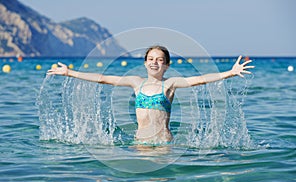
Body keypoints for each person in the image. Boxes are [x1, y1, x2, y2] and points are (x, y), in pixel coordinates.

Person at [47, 45, 254, 144]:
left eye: (160, 59)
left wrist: (230, 72)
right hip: (140, 143)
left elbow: (199, 79)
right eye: (151, 59)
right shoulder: (135, 83)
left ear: (167, 65)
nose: (155, 62)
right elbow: (102, 77)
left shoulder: (170, 84)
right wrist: (69, 73)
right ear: (145, 63)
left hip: (164, 143)